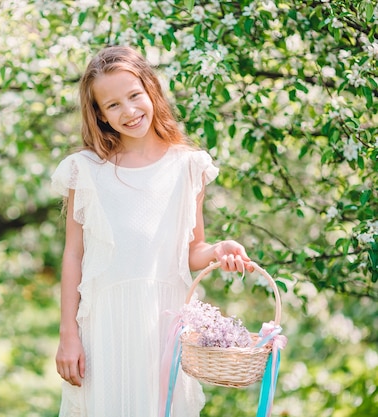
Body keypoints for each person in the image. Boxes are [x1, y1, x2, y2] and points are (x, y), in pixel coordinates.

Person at [51, 45, 254, 417]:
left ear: (151, 90)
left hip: (164, 326)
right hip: (104, 325)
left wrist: (220, 248)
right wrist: (68, 335)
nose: (128, 111)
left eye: (134, 96)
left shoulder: (187, 166)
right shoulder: (86, 170)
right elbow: (73, 255)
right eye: (112, 105)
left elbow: (192, 252)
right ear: (99, 114)